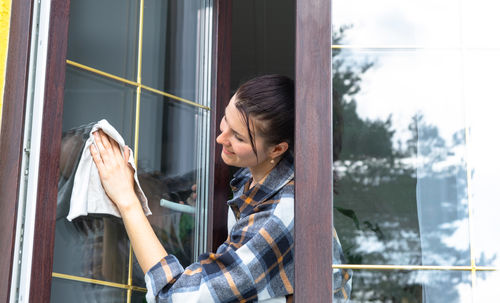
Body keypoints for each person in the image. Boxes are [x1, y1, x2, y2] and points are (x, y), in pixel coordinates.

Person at [89, 74, 351, 302]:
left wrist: (127, 200)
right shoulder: (254, 175)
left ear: (277, 149)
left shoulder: (283, 214)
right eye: (226, 120)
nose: (220, 138)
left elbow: (177, 297)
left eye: (238, 137)